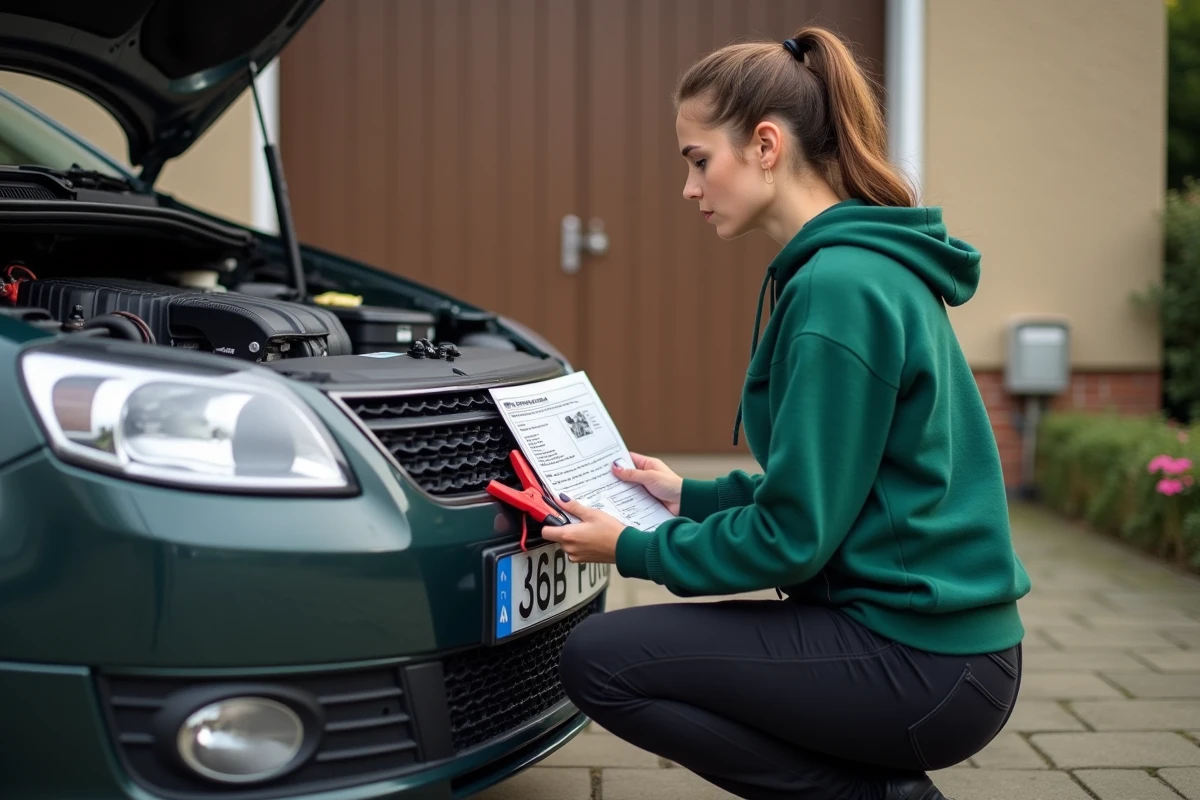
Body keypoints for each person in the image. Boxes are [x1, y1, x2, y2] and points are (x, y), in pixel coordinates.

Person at [540, 24, 1032, 800]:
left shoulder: (838, 289)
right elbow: (843, 485)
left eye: (699, 161)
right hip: (940, 649)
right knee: (627, 654)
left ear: (765, 145)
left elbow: (793, 539)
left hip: (923, 661)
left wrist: (635, 547)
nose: (689, 189)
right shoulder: (862, 270)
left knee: (600, 660)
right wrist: (690, 497)